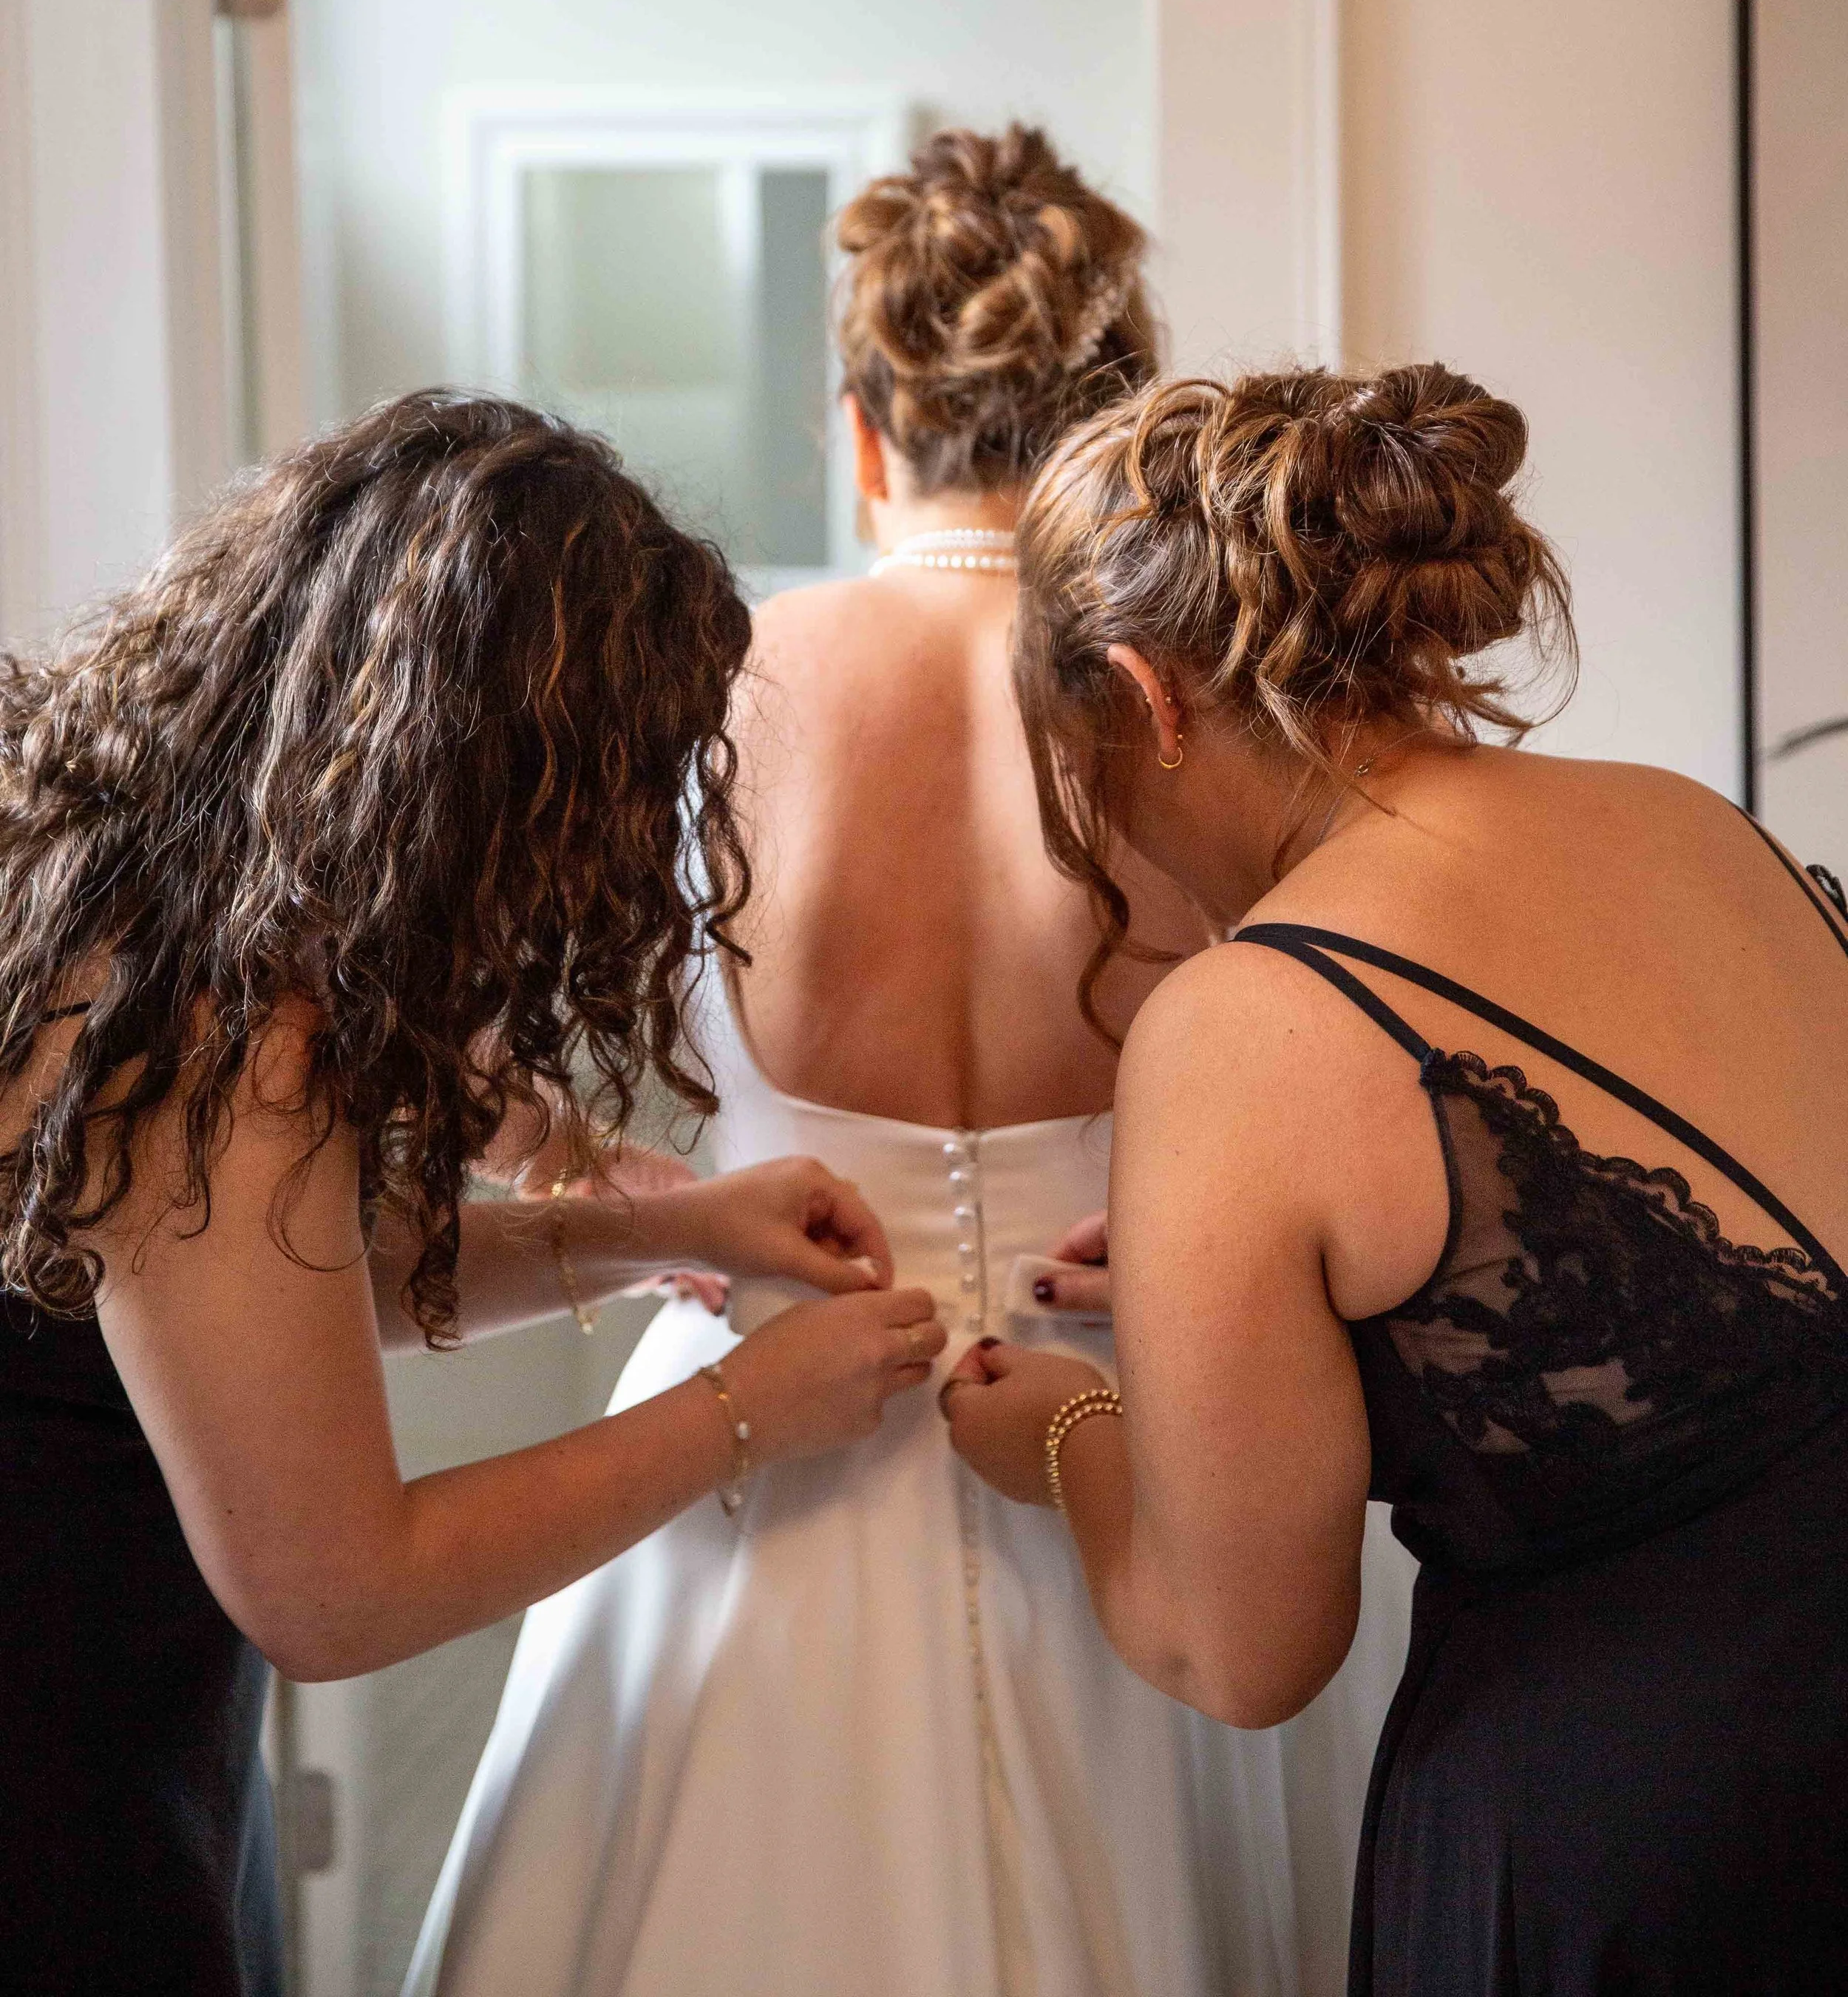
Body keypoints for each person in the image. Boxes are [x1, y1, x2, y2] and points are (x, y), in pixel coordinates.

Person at [408, 131, 1412, 1997]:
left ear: (860, 427)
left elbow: (427, 1032)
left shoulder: (721, 684)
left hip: (778, 1380)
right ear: (1119, 408)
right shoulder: (1179, 705)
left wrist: (626, 1196)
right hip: (1138, 1414)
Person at [0, 392, 950, 1997]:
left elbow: (264, 1311)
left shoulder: (107, 876)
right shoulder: (213, 1029)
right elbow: (334, 1587)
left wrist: (660, 1233)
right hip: (56, 1788)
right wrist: (745, 1408)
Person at [946, 362, 1848, 1996]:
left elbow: (1239, 1652)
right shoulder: (1698, 827)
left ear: (1144, 700)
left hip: (1625, 1865)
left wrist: (1071, 1434)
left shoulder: (1250, 1023)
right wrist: (1232, 1304)